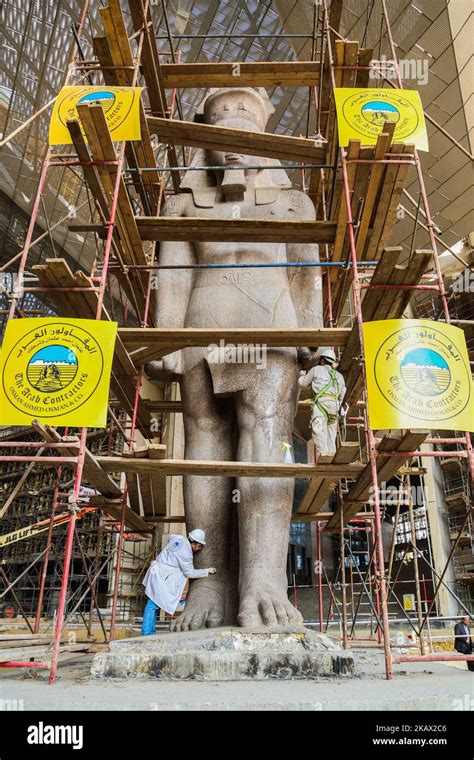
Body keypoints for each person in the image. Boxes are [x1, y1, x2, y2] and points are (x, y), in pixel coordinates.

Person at [141, 529, 216, 635]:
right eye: (199, 546)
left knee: (154, 604)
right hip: (162, 577)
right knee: (152, 605)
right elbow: (190, 573)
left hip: (158, 572)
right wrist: (206, 571)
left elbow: (170, 537)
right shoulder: (186, 553)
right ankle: (147, 632)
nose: (200, 549)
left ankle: (149, 631)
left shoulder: (179, 538)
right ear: (193, 543)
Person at [298, 347, 347, 457]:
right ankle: (332, 457)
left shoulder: (317, 370)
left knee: (319, 433)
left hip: (321, 404)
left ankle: (324, 457)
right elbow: (343, 392)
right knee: (331, 435)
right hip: (335, 406)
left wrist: (301, 375)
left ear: (322, 360)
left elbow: (303, 384)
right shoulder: (339, 376)